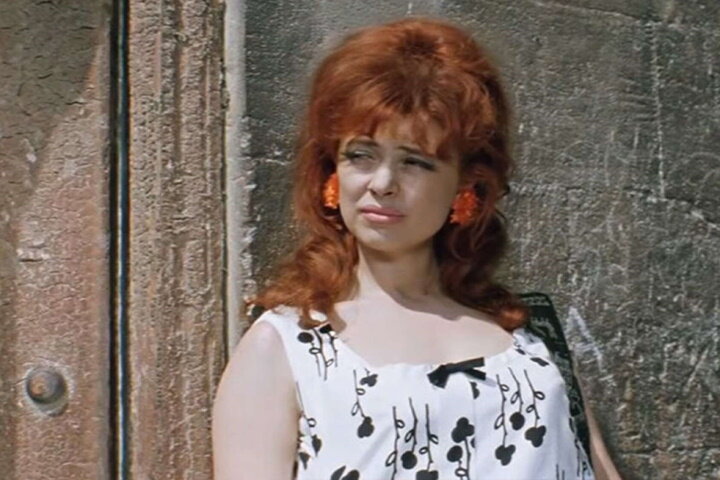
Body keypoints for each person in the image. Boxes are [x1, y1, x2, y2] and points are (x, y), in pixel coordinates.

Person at [212, 16, 621, 480]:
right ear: (331, 175)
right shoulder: (286, 345)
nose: (382, 183)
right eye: (360, 155)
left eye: (415, 162)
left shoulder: (533, 341)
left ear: (466, 186)